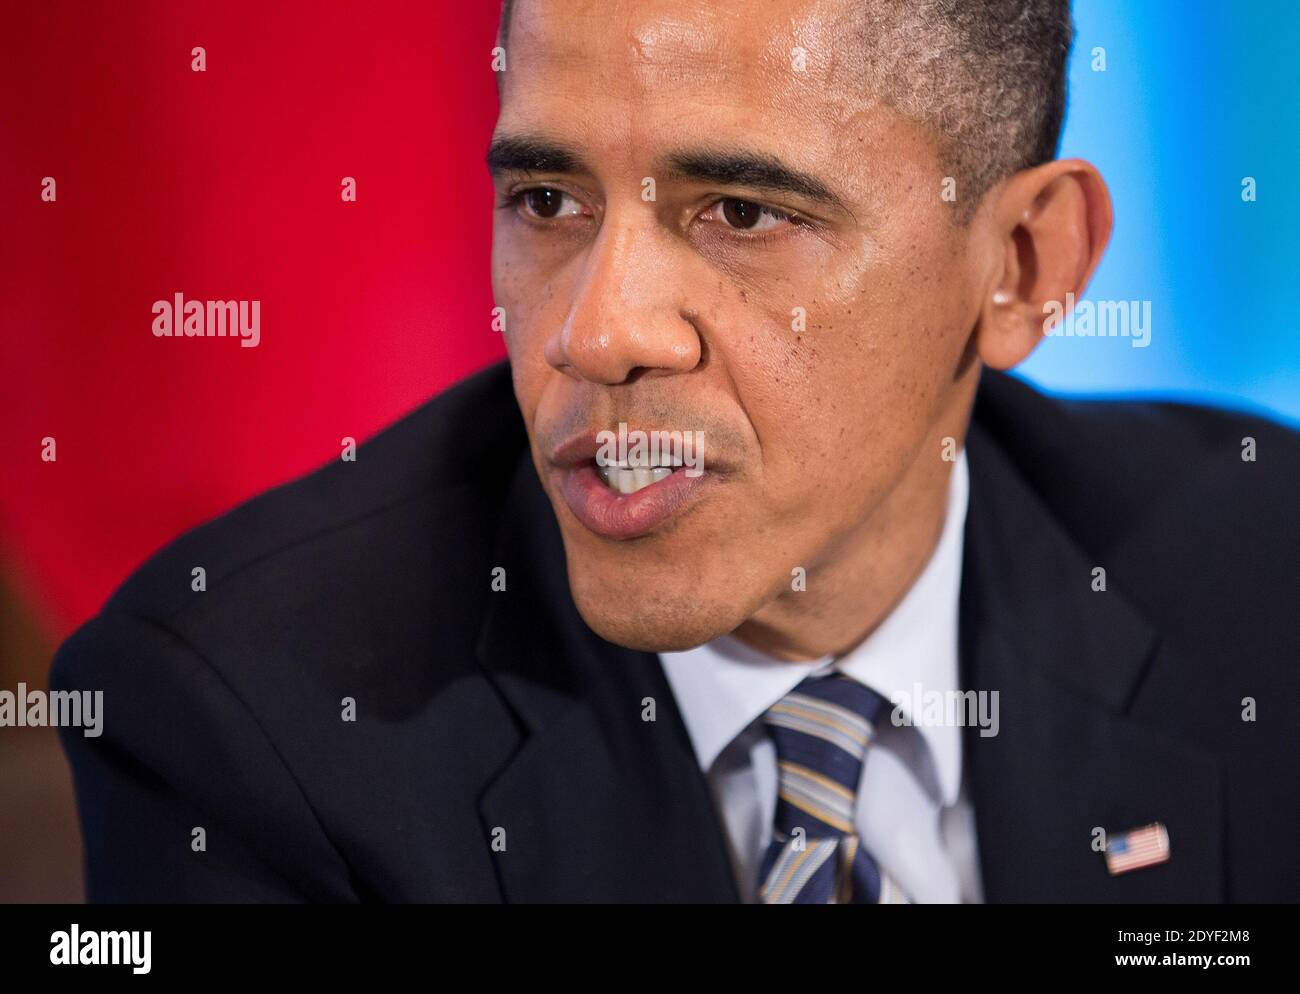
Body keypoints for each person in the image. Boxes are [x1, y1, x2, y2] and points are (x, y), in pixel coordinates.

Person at [54, 0, 1299, 903]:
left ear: (1025, 266)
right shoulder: (242, 721)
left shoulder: (1264, 577)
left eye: (744, 214)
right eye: (547, 201)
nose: (594, 334)